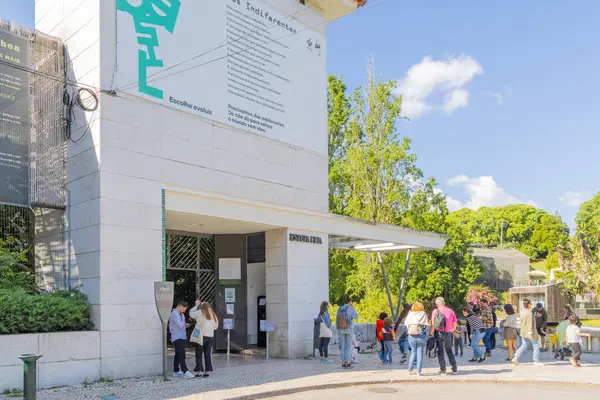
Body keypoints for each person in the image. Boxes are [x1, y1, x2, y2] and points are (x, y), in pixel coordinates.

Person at [189, 301, 219, 377]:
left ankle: (200, 371)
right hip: (210, 336)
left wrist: (196, 306)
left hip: (201, 336)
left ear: (202, 307)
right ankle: (207, 371)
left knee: (199, 354)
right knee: (207, 354)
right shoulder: (213, 314)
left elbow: (191, 314)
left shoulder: (200, 312)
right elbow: (216, 327)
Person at [512, 298, 544, 367]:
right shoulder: (530, 313)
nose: (532, 305)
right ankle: (536, 361)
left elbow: (522, 322)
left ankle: (515, 358)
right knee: (536, 345)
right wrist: (530, 332)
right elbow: (530, 323)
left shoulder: (522, 312)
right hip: (530, 332)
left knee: (524, 345)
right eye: (531, 304)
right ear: (529, 305)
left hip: (523, 331)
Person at [430, 297, 458, 375]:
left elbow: (433, 324)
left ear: (437, 304)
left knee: (440, 351)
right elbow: (455, 324)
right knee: (449, 350)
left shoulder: (435, 311)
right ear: (444, 303)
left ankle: (443, 370)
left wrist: (431, 333)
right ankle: (454, 368)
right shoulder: (450, 311)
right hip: (448, 333)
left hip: (438, 332)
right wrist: (451, 330)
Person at [169, 301, 195, 379]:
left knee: (178, 354)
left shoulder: (180, 314)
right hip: (177, 337)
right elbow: (180, 325)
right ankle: (185, 371)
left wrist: (185, 324)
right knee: (182, 354)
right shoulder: (174, 314)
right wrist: (184, 322)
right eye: (184, 309)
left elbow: (181, 325)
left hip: (181, 336)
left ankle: (176, 371)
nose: (184, 311)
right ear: (180, 306)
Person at [405, 302, 428, 376]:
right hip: (420, 335)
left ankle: (409, 370)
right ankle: (419, 371)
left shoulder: (410, 314)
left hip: (411, 335)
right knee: (420, 354)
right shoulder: (423, 314)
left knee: (413, 353)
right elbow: (426, 324)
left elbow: (406, 323)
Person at [337, 296, 359, 369]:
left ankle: (343, 362)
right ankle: (348, 362)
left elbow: (337, 320)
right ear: (350, 302)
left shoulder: (339, 309)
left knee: (342, 346)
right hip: (349, 328)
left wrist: (339, 328)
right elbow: (356, 317)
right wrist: (353, 307)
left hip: (341, 329)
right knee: (349, 346)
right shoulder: (350, 308)